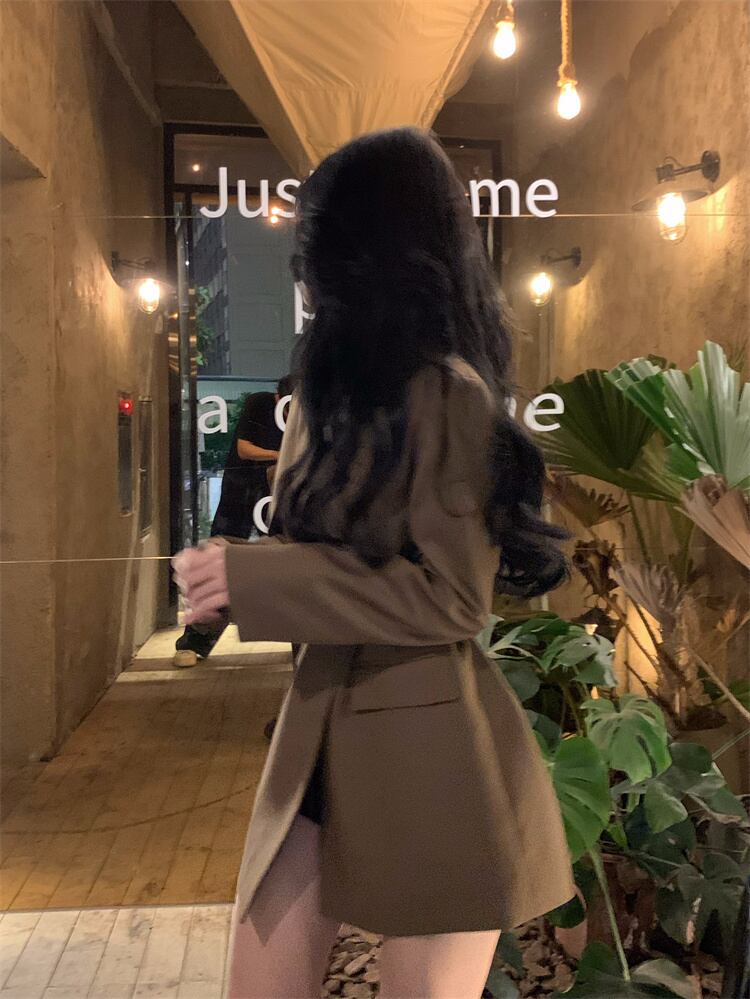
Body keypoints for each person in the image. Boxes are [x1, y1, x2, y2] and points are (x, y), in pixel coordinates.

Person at [172, 128, 575, 999]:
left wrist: (255, 580)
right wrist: (234, 575)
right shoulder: (331, 388)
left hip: (432, 752)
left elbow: (452, 598)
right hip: (317, 735)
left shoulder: (451, 392)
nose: (304, 268)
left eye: (318, 241)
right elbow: (329, 559)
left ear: (369, 250)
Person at [173, 376, 291, 667]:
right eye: (287, 407)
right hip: (243, 488)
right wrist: (284, 455)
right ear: (278, 399)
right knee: (221, 556)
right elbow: (244, 449)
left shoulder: (309, 416)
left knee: (292, 558)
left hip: (277, 490)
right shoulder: (260, 404)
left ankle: (301, 645)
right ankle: (194, 641)